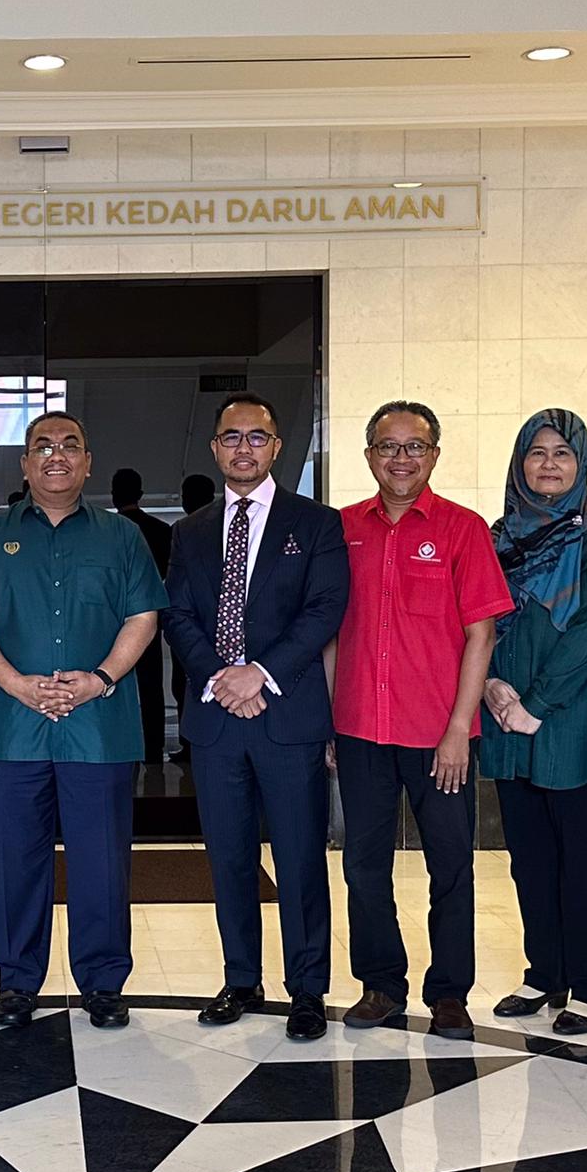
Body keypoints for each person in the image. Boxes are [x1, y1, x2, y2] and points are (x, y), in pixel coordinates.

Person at [0, 410, 165, 1028]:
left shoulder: (122, 537)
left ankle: (103, 983)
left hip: (100, 728)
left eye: (70, 445)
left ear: (88, 463)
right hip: (10, 729)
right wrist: (16, 684)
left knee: (103, 861)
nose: (56, 454)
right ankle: (17, 981)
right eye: (43, 445)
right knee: (13, 860)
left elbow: (143, 617)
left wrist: (100, 680)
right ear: (25, 464)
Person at [163, 393, 348, 1040]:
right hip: (217, 721)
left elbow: (324, 609)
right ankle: (241, 978)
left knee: (299, 860)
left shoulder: (316, 524)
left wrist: (259, 673)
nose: (244, 448)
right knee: (229, 858)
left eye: (257, 437)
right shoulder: (189, 531)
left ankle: (307, 989)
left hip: (286, 715)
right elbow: (177, 614)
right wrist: (222, 677)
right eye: (232, 437)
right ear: (215, 447)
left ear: (276, 447)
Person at [326, 401, 512, 1038]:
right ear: (369, 454)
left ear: (434, 455)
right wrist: (330, 722)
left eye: (414, 447)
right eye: (387, 446)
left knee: (450, 866)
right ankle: (380, 985)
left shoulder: (463, 529)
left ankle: (450, 993)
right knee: (363, 866)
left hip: (439, 736)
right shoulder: (343, 529)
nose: (400, 458)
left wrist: (460, 729)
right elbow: (331, 635)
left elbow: (481, 633)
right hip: (360, 729)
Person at [481, 410, 587, 1034]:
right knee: (530, 857)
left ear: (581, 463)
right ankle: (546, 970)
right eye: (536, 452)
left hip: (573, 722)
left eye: (562, 453)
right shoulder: (497, 534)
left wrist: (535, 705)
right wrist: (489, 682)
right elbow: (475, 617)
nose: (548, 464)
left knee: (586, 858)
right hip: (505, 716)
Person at [113, 468, 173, 763]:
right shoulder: (161, 530)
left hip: (111, 617)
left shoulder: (108, 531)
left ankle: (120, 744)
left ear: (114, 495)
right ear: (140, 494)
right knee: (151, 683)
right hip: (149, 612)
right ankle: (153, 746)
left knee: (111, 679)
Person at [173, 472, 218, 758]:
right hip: (187, 634)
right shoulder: (181, 531)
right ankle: (188, 743)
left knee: (182, 684)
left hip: (194, 638)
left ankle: (187, 743)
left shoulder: (183, 531)